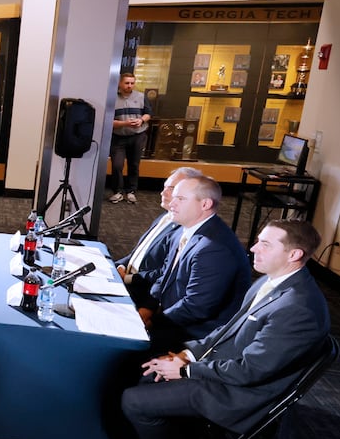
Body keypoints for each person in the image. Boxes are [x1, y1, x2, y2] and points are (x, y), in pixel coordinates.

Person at [122, 219, 331, 439]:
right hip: (228, 370)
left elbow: (251, 371)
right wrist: (185, 355)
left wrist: (187, 370)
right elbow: (226, 333)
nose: (253, 248)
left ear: (295, 254)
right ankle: (186, 434)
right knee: (148, 373)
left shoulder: (298, 308)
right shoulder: (270, 282)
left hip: (243, 395)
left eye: (265, 244)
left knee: (132, 400)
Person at [141, 176, 252, 351]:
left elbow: (197, 306)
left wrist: (152, 322)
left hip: (195, 335)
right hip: (172, 317)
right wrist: (147, 308)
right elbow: (165, 276)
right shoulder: (183, 230)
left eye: (181, 199)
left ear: (205, 204)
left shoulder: (214, 248)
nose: (172, 204)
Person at [116, 167, 204, 307]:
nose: (163, 193)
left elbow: (166, 272)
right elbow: (137, 254)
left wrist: (127, 278)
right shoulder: (164, 217)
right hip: (125, 279)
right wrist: (115, 267)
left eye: (171, 189)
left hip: (143, 294)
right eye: (165, 187)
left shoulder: (185, 229)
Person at [108, 72, 152, 204]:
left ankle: (131, 191)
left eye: (132, 83)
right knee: (117, 165)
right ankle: (118, 192)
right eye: (127, 83)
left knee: (134, 164)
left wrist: (141, 120)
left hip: (137, 135)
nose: (130, 86)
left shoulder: (140, 96)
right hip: (118, 137)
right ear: (120, 83)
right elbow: (108, 121)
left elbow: (148, 113)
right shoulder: (111, 98)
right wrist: (125, 123)